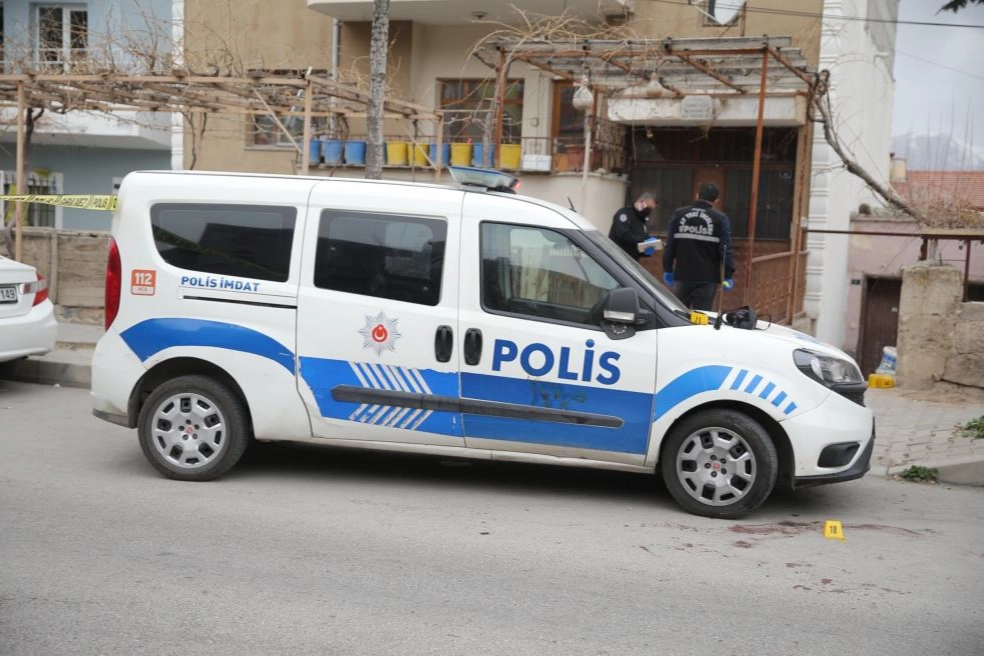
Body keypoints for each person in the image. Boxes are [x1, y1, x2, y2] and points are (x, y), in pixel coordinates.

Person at [662, 181, 735, 311]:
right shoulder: (720, 219)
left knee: (679, 315)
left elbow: (670, 245)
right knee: (701, 317)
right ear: (716, 200)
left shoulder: (679, 215)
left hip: (682, 276)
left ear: (697, 195)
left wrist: (668, 269)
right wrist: (728, 275)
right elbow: (726, 250)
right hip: (707, 278)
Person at [608, 192, 657, 261]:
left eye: (651, 209)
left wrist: (646, 248)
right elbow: (624, 235)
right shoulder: (624, 214)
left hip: (632, 260)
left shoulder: (641, 219)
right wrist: (643, 240)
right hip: (618, 258)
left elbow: (637, 241)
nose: (649, 211)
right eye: (648, 208)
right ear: (641, 202)